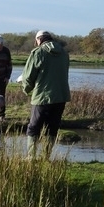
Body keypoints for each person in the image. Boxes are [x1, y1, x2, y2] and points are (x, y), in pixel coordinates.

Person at [19, 30, 71, 158]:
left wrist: (26, 89)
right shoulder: (64, 53)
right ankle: (46, 156)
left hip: (42, 96)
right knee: (52, 127)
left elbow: (28, 76)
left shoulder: (38, 52)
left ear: (39, 40)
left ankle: (31, 157)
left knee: (33, 127)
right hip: (61, 96)